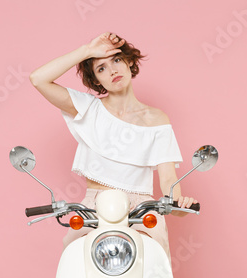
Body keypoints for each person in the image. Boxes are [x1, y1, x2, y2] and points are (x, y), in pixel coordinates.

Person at [29, 32, 197, 258]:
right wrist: (87, 50)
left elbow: (168, 180)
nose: (113, 71)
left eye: (117, 60)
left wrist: (180, 204)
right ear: (97, 80)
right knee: (73, 259)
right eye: (101, 68)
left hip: (141, 210)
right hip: (95, 206)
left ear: (128, 61)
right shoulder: (88, 109)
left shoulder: (157, 120)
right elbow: (38, 79)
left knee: (156, 262)